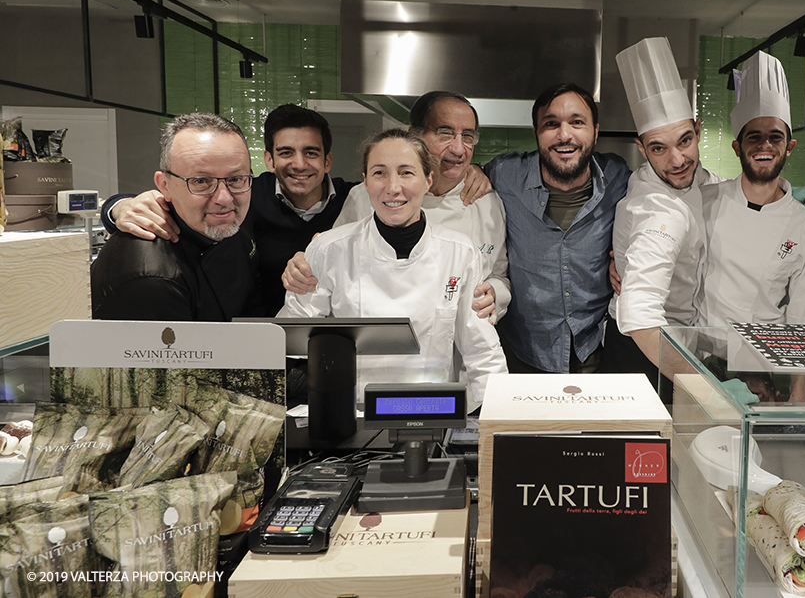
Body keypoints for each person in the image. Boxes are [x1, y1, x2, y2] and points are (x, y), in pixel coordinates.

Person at [277, 128, 507, 411]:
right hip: (352, 414)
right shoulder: (329, 248)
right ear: (364, 182)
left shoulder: (459, 251)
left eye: (406, 172)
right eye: (379, 173)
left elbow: (481, 350)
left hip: (431, 411)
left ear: (428, 180)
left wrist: (496, 423)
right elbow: (289, 340)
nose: (393, 187)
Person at [99, 104, 356, 315]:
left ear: (327, 161)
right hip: (262, 336)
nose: (224, 198)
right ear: (269, 160)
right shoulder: (250, 193)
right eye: (286, 152)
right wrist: (117, 207)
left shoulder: (355, 201)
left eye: (311, 153)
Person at [297, 91, 509, 321]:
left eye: (467, 136)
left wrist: (495, 292)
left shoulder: (487, 202)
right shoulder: (369, 196)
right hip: (374, 338)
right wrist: (304, 271)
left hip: (453, 347)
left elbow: (499, 274)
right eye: (445, 133)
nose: (458, 149)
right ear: (415, 135)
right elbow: (331, 267)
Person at [696, 51, 805, 402]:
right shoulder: (704, 202)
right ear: (738, 147)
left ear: (790, 147)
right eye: (754, 137)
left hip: (763, 368)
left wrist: (799, 398)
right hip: (699, 359)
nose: (765, 145)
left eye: (775, 137)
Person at [485, 83, 630, 374]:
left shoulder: (619, 177)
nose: (564, 135)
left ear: (596, 131)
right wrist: (474, 172)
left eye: (577, 122)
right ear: (536, 132)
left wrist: (628, 262)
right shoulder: (504, 175)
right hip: (519, 352)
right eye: (551, 124)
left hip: (593, 350)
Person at [604, 37, 720, 391]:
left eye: (685, 141)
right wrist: (703, 389)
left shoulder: (705, 183)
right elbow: (639, 315)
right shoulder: (657, 209)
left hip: (687, 343)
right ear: (641, 148)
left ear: (698, 130)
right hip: (648, 352)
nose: (677, 160)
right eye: (658, 148)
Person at [91, 113, 261, 321]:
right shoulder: (150, 279)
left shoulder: (232, 212)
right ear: (164, 185)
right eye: (201, 181)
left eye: (235, 178)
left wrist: (115, 205)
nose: (224, 198)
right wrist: (117, 208)